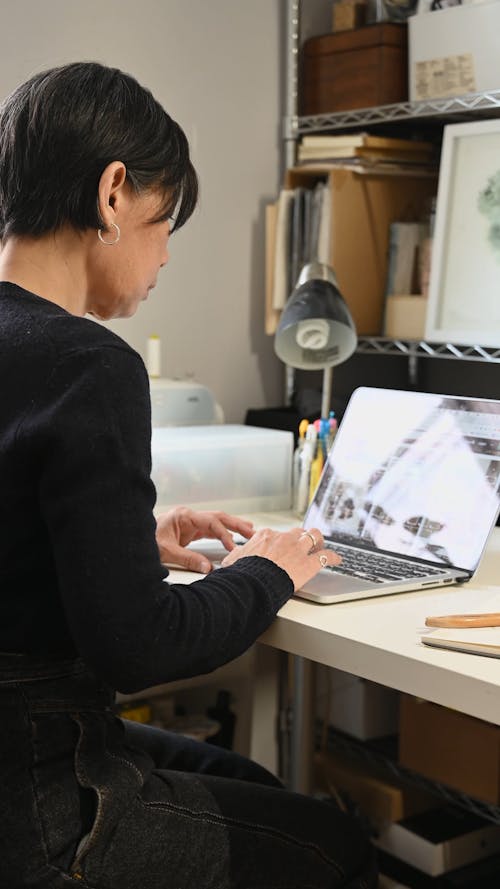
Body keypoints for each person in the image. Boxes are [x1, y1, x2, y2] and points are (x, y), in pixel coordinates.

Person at [0, 62, 377, 888]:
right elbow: (138, 646)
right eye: (164, 219)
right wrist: (267, 572)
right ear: (113, 194)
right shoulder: (90, 365)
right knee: (335, 846)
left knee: (252, 786)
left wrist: (133, 542)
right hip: (48, 805)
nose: (166, 252)